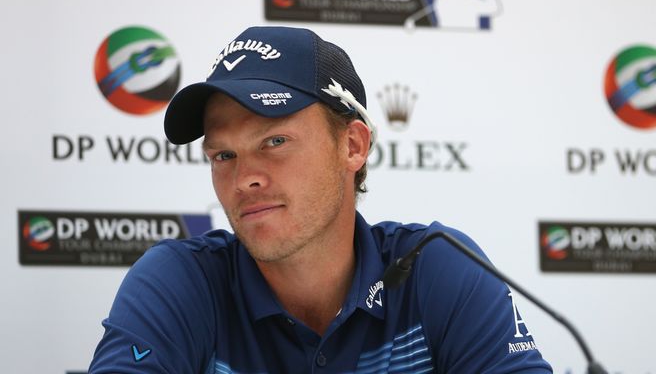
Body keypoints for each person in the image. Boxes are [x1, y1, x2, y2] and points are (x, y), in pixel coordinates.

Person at [90, 26, 553, 373]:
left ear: (352, 146)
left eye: (274, 142)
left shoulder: (436, 269)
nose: (244, 178)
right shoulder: (181, 282)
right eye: (224, 154)